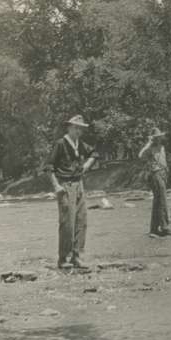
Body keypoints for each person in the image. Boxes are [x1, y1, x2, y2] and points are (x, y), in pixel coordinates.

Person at [45, 114, 96, 269]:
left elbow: (94, 153)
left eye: (80, 129)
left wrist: (87, 165)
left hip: (79, 184)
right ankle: (63, 259)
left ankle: (77, 256)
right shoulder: (60, 144)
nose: (78, 131)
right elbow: (49, 167)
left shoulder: (80, 144)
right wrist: (56, 186)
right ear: (69, 128)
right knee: (67, 223)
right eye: (75, 128)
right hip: (65, 185)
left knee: (82, 221)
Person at [139, 128, 171, 238]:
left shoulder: (162, 147)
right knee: (162, 200)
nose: (159, 139)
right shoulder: (149, 148)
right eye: (157, 137)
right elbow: (140, 156)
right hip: (155, 174)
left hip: (163, 173)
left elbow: (164, 161)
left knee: (158, 201)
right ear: (154, 138)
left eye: (160, 137)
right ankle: (165, 227)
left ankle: (154, 228)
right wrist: (148, 143)